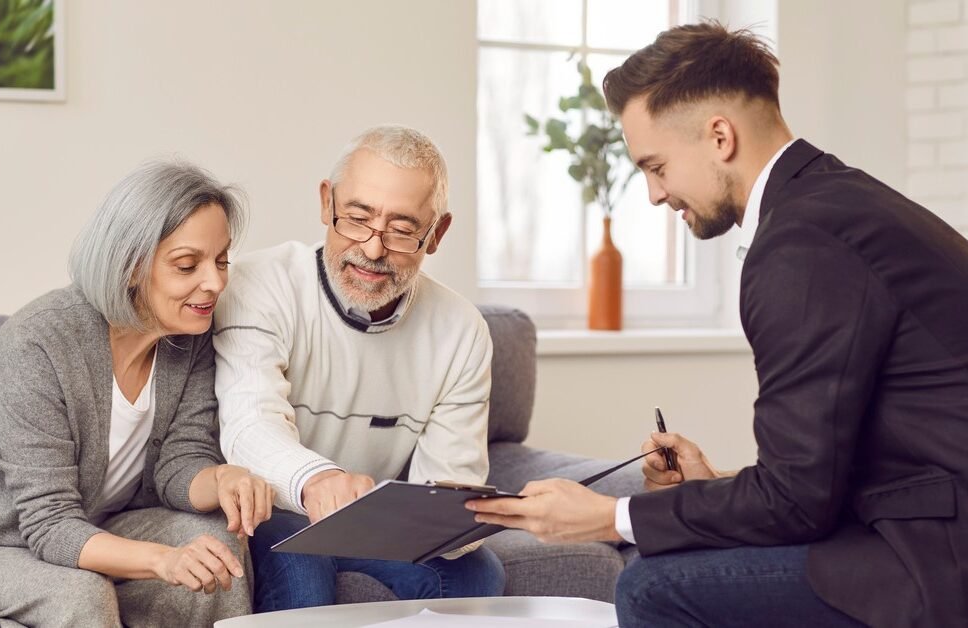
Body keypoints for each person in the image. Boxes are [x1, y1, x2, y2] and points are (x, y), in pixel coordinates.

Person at [467, 21, 968, 628]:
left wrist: (606, 516)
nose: (654, 194)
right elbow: (820, 471)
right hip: (921, 517)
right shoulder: (841, 203)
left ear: (720, 136)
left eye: (656, 166)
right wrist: (714, 484)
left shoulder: (801, 244)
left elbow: (797, 503)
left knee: (653, 588)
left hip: (935, 553)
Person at [0, 160, 275, 627]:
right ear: (131, 266)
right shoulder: (40, 344)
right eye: (187, 265)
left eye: (221, 260)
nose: (214, 283)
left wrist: (223, 479)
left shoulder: (188, 334)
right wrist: (161, 560)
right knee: (80, 593)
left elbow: (180, 462)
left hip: (90, 522)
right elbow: (49, 523)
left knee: (216, 548)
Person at [213, 124, 506, 611]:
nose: (372, 249)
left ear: (437, 233)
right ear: (326, 202)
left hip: (375, 529)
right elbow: (248, 425)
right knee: (299, 553)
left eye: (402, 229)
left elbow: (450, 483)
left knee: (477, 571)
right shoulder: (259, 285)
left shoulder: (462, 330)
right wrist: (317, 481)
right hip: (276, 509)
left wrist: (467, 519)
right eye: (357, 218)